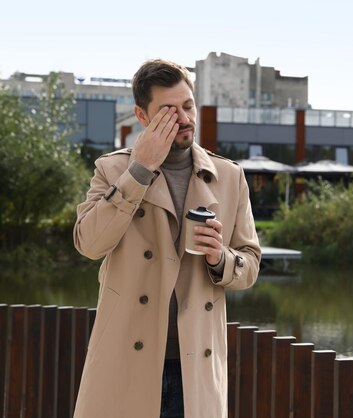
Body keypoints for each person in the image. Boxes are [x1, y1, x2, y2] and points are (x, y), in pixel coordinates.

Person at [72, 59, 261, 418]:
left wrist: (220, 258)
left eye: (188, 106)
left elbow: (250, 263)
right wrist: (138, 171)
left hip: (194, 367)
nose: (184, 118)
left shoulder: (229, 176)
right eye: (169, 111)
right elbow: (89, 243)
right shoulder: (113, 169)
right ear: (142, 116)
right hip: (126, 362)